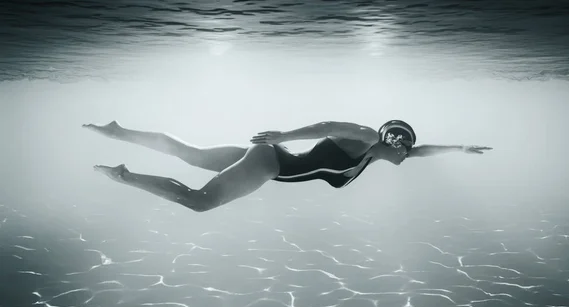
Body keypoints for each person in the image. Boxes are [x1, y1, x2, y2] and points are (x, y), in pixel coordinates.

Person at [82, 120, 491, 212]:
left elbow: (419, 153)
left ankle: (117, 132)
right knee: (200, 201)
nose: (401, 145)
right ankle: (124, 175)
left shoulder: (382, 155)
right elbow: (327, 125)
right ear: (384, 133)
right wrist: (281, 137)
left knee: (188, 154)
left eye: (406, 142)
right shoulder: (366, 136)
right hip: (271, 160)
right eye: (396, 136)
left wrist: (460, 147)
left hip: (271, 162)